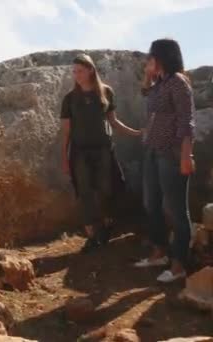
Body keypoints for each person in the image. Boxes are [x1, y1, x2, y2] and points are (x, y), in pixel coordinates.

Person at [61, 54, 141, 254]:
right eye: (74, 71)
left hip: (104, 150)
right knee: (84, 192)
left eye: (80, 70)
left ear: (90, 70)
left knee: (107, 190)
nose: (76, 75)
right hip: (80, 152)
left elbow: (113, 121)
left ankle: (105, 227)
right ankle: (90, 236)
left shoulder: (106, 92)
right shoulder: (70, 99)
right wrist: (64, 157)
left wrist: (135, 132)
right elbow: (67, 131)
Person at [134, 39, 196, 283]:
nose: (147, 61)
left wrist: (186, 155)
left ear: (163, 57)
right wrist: (149, 76)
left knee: (177, 210)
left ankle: (179, 264)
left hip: (171, 153)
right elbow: (146, 94)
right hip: (151, 150)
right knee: (152, 203)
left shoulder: (179, 82)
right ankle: (159, 253)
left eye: (151, 57)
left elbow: (187, 121)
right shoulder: (160, 83)